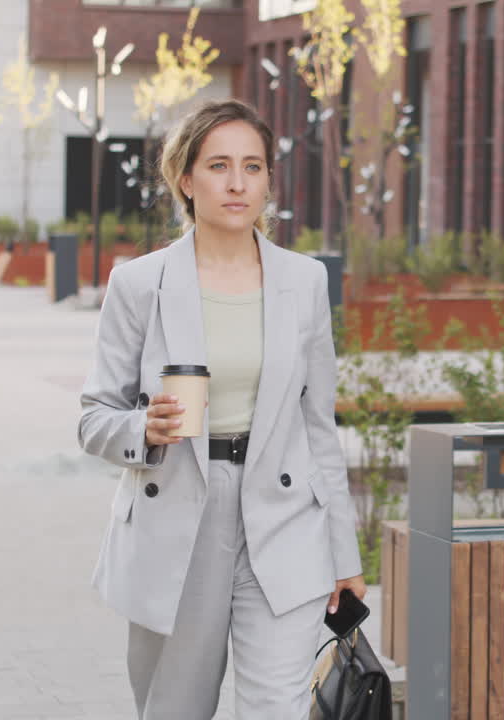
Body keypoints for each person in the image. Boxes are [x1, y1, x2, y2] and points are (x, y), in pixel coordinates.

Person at [77, 99, 365, 719]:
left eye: (253, 167)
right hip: (180, 509)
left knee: (276, 709)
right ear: (186, 179)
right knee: (175, 707)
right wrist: (142, 428)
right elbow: (94, 415)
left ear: (268, 180)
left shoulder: (305, 281)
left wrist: (346, 556)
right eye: (219, 166)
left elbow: (320, 427)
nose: (238, 183)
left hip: (285, 518)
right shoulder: (139, 283)